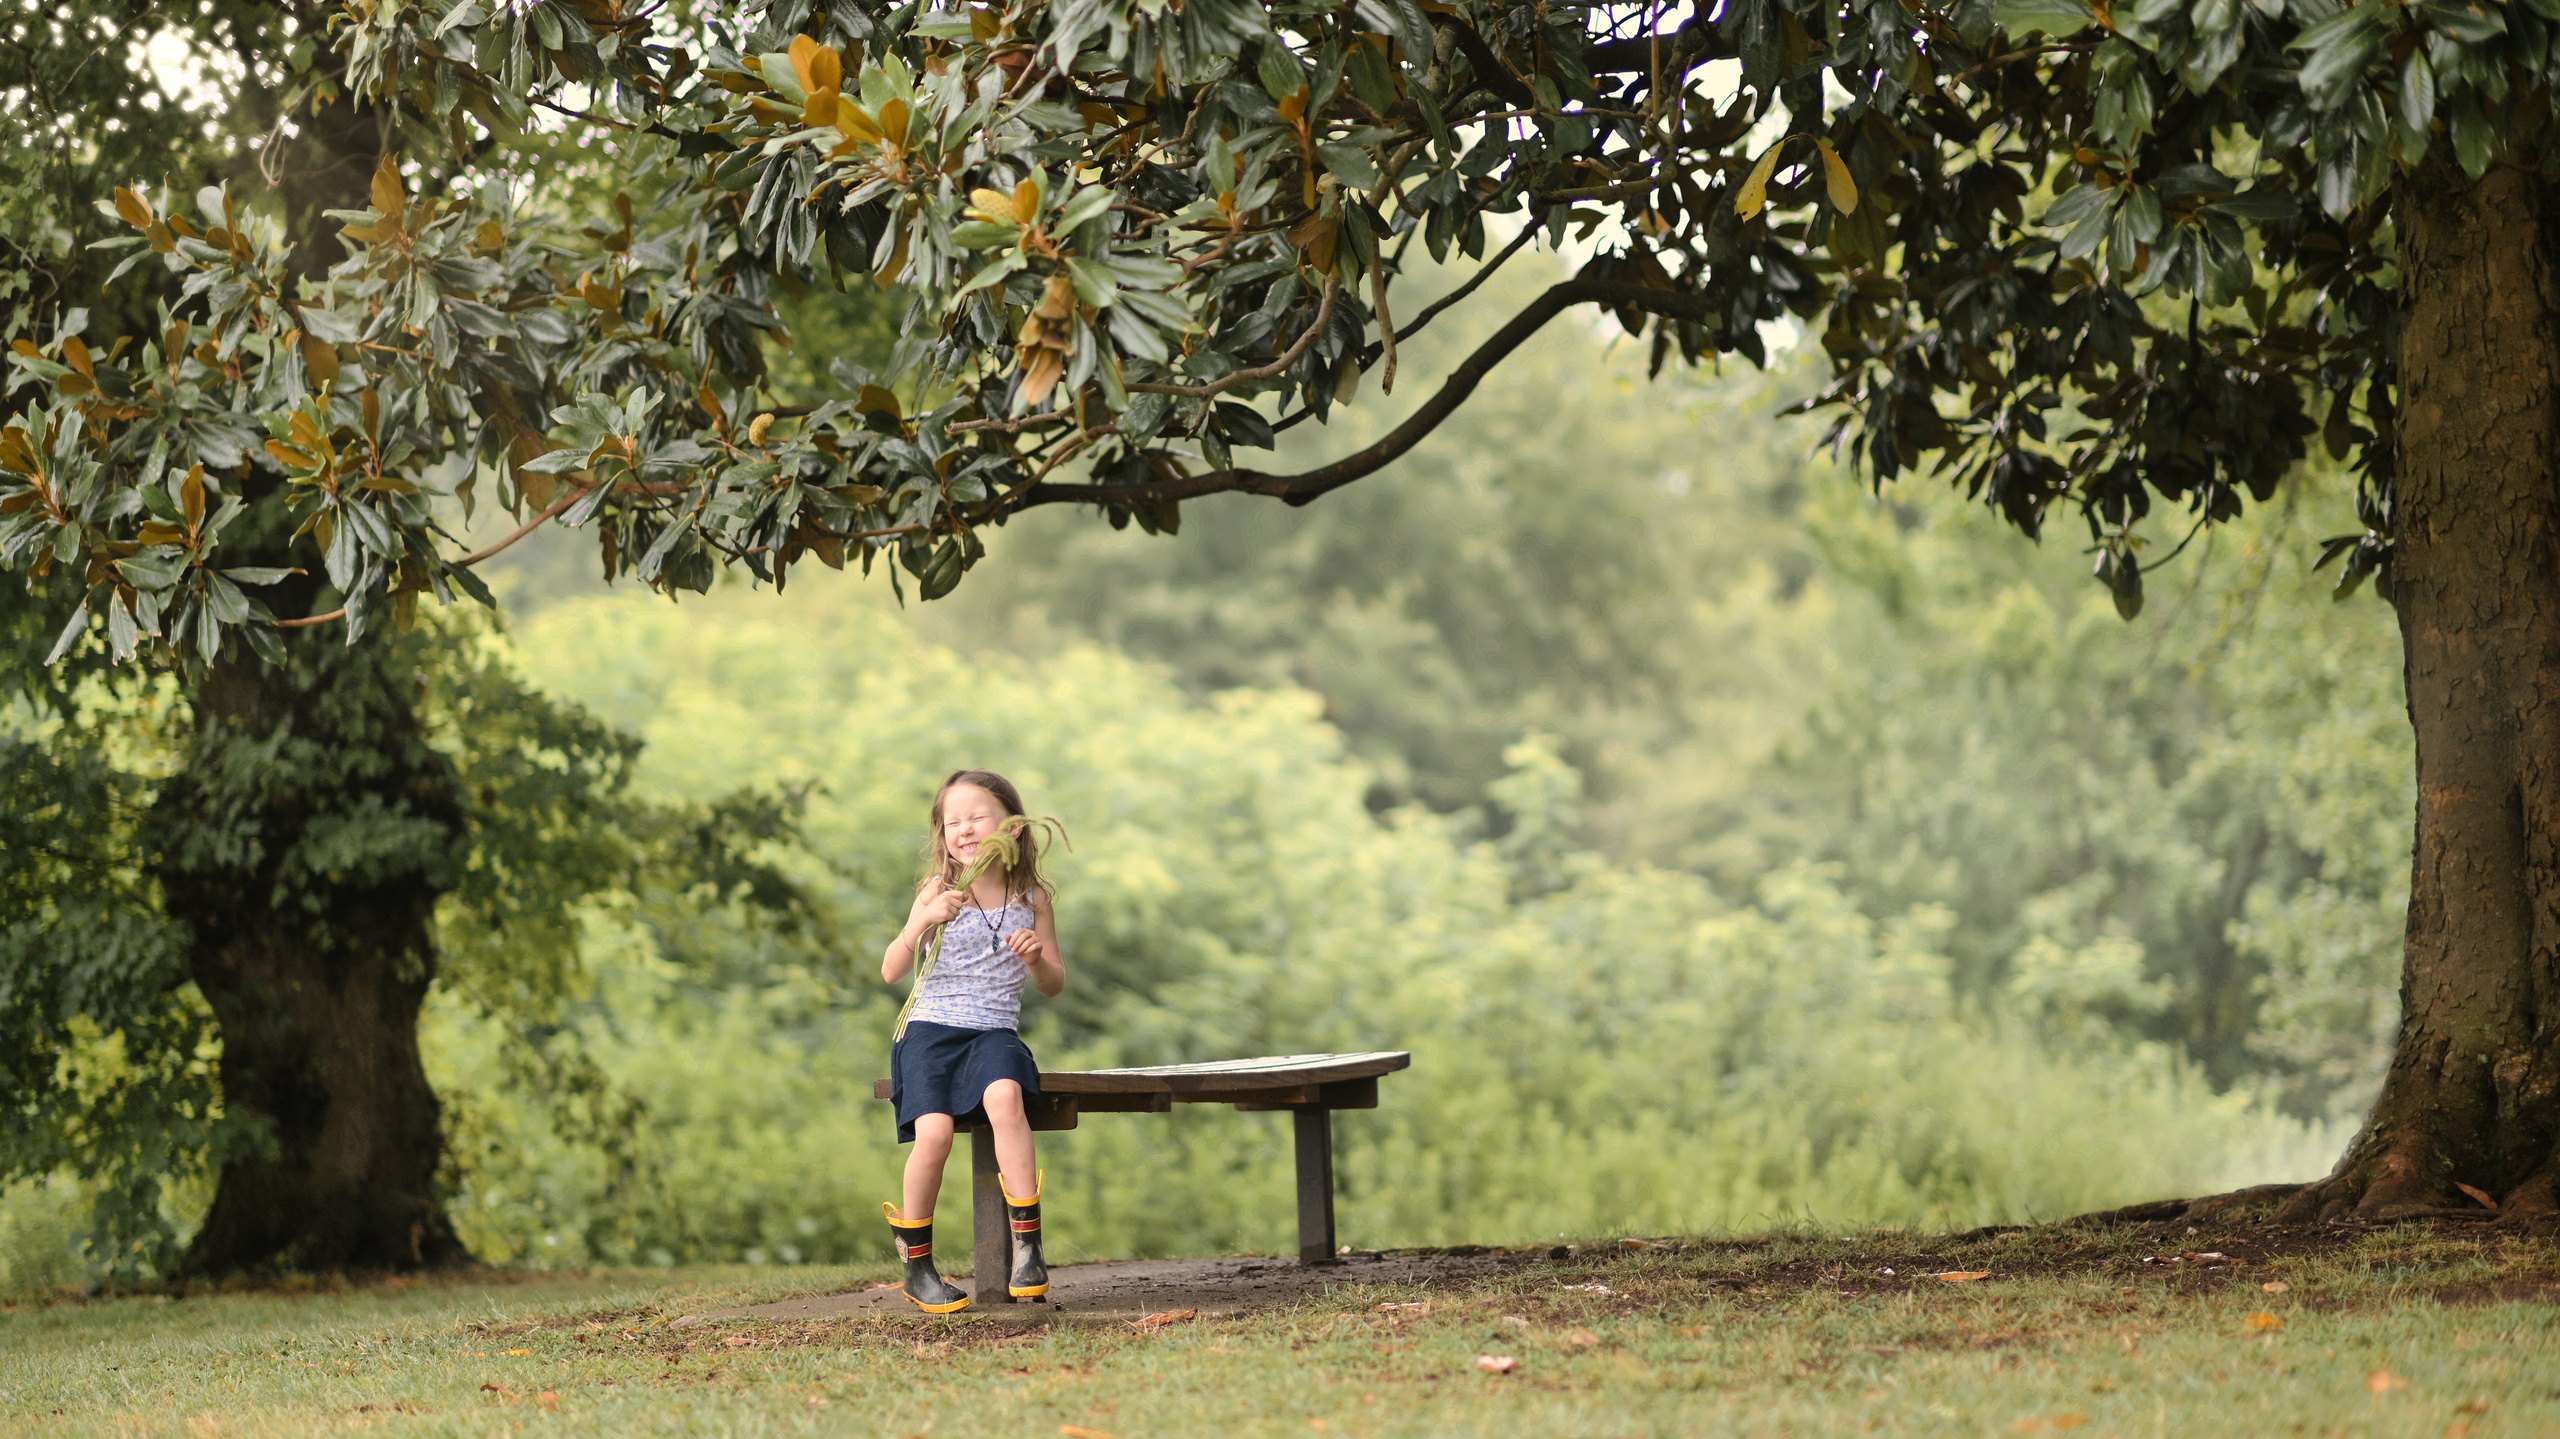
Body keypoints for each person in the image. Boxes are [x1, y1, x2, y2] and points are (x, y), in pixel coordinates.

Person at [878, 769, 1065, 1312]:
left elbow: (1053, 983)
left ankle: (1027, 1247)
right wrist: (922, 923)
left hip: (992, 1032)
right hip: (930, 1032)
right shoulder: (938, 890)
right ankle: (917, 1266)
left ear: (1013, 824)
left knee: (1005, 1098)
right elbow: (891, 970)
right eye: (951, 821)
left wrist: (1033, 958)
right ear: (942, 835)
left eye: (977, 816)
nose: (964, 829)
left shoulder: (1032, 898)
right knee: (933, 1134)